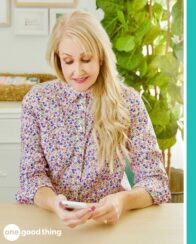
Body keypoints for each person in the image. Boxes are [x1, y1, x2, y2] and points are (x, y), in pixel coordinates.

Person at [15, 10, 170, 228]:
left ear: (101, 56)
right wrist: (54, 203)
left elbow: (155, 181)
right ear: (58, 61)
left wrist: (121, 202)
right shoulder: (37, 101)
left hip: (111, 225)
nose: (77, 70)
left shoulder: (129, 102)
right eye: (68, 61)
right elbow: (31, 177)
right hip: (51, 223)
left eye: (86, 59)